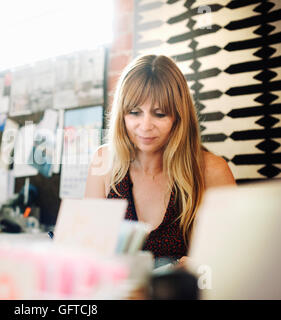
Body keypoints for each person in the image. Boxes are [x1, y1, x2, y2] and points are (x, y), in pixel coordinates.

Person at [84, 54, 236, 262]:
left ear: (178, 117)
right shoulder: (103, 161)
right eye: (135, 112)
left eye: (160, 114)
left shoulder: (211, 170)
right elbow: (89, 251)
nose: (145, 126)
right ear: (122, 115)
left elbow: (232, 259)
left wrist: (198, 265)